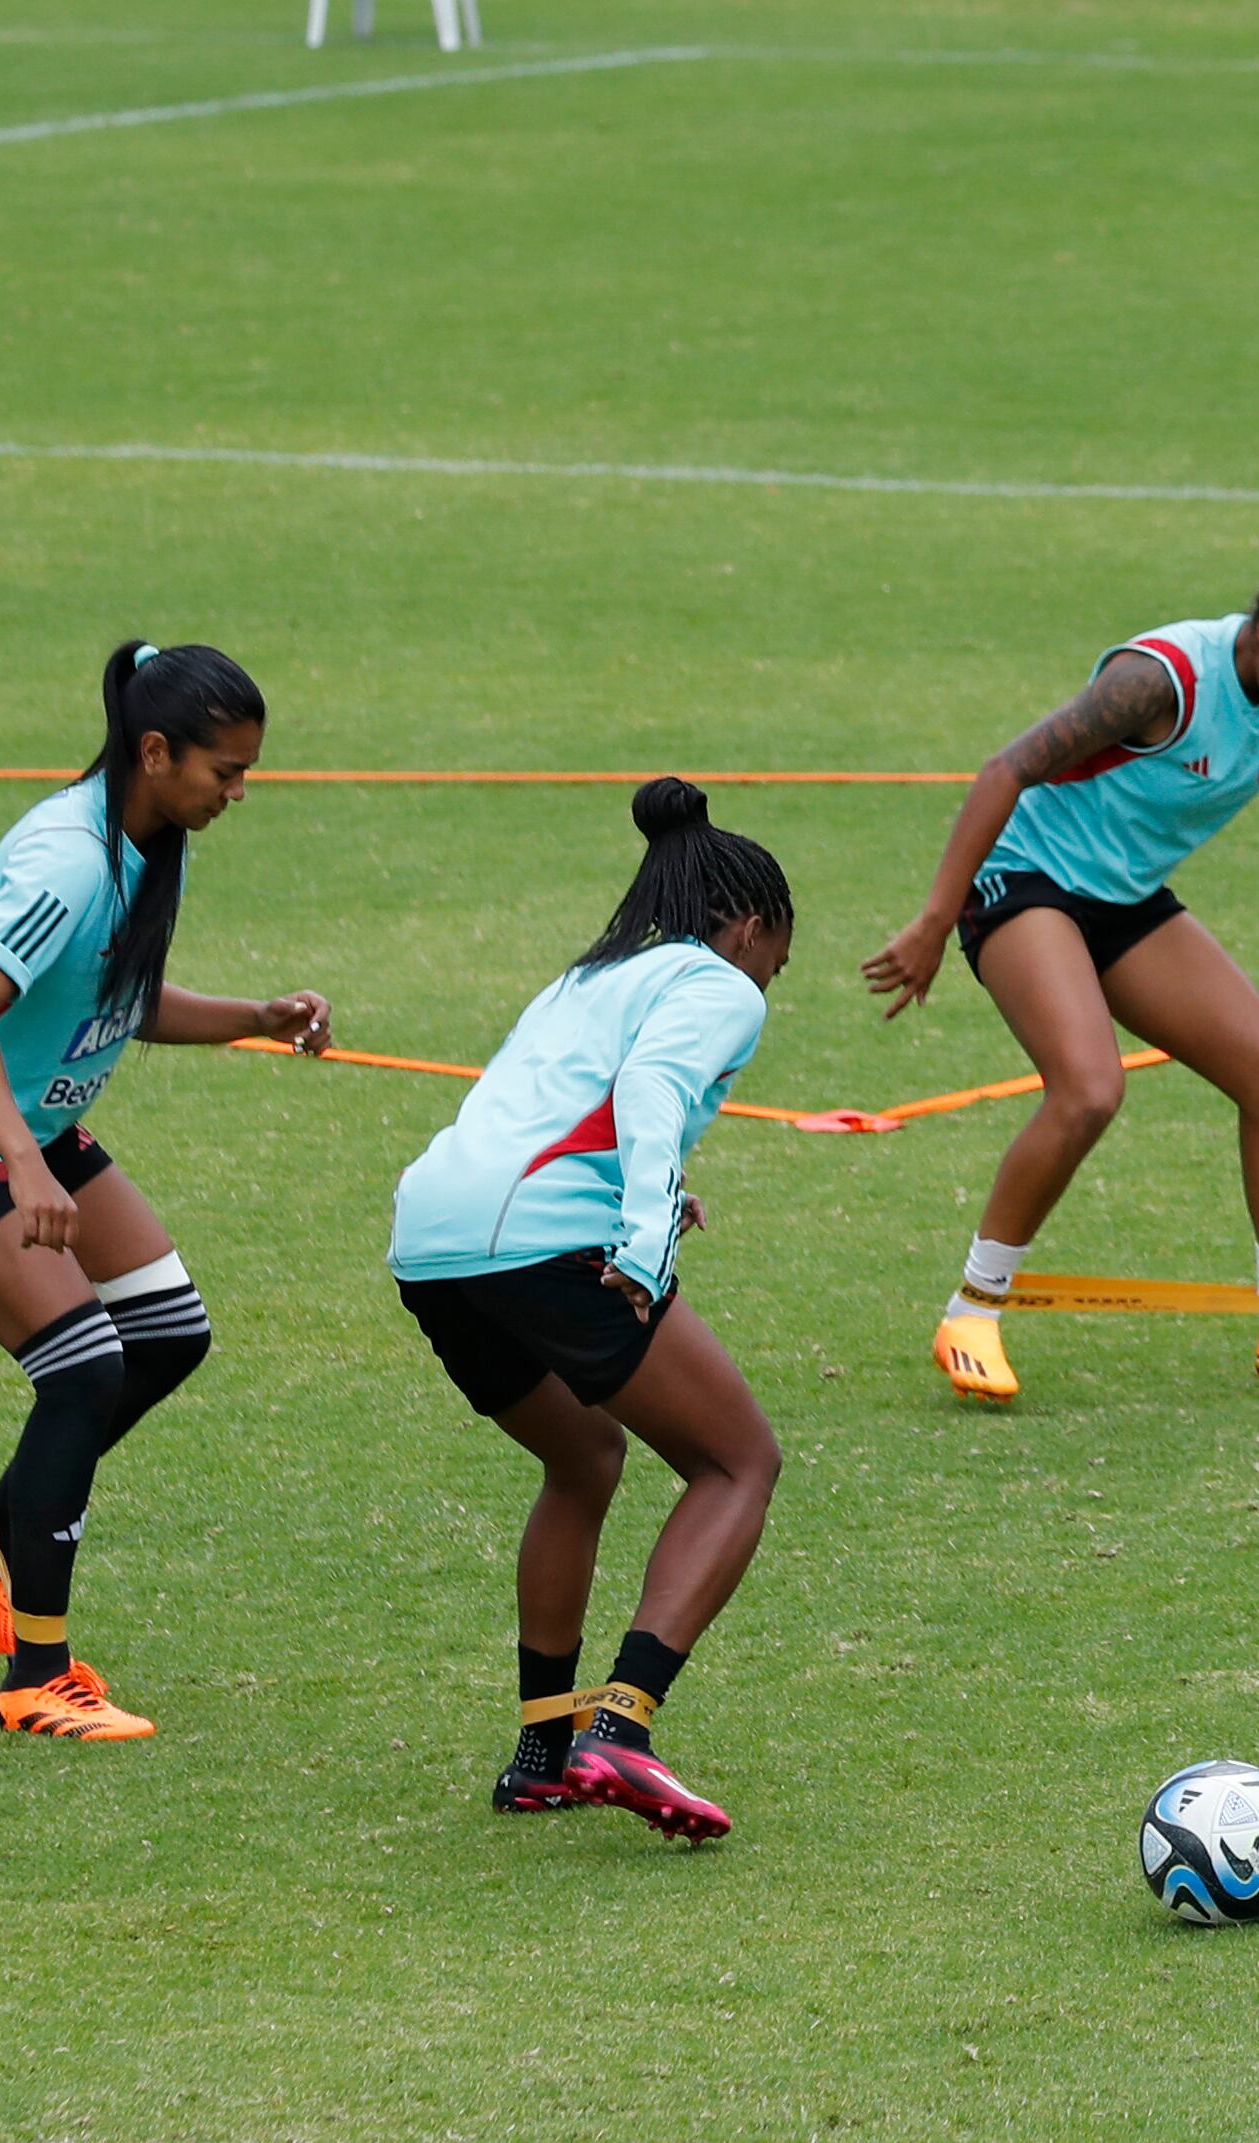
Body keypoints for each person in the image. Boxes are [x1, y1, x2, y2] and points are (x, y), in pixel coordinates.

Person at [862, 514, 1259, 1401]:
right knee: (1088, 1088)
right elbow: (1005, 770)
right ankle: (972, 1309)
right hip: (1024, 881)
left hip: (1123, 898)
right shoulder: (1158, 681)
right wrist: (934, 918)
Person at [0, 642, 329, 1743]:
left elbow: (125, 998)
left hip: (30, 1122)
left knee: (167, 1334)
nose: (238, 793)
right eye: (226, 772)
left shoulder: (148, 839)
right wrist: (20, 1159)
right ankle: (38, 1675)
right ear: (155, 752)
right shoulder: (66, 859)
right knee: (83, 1367)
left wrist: (252, 1017)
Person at [391, 779, 793, 1836]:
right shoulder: (719, 983)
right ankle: (623, 1726)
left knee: (584, 1456)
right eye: (777, 964)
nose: (768, 987)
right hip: (543, 1243)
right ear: (749, 928)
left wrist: (646, 1191)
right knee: (738, 1463)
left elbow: (552, 1104)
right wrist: (646, 1239)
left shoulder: (590, 976)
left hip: (432, 1239)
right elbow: (654, 1092)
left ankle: (541, 1755)